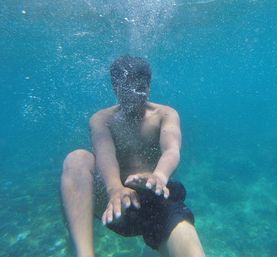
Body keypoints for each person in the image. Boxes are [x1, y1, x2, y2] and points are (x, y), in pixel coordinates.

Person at [61, 55, 206, 257]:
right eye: (126, 90)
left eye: (140, 88)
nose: (134, 96)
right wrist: (114, 189)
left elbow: (171, 150)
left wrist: (159, 176)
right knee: (77, 159)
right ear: (115, 88)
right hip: (114, 206)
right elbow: (105, 154)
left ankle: (154, 245)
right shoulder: (102, 119)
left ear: (148, 86)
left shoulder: (165, 114)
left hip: (154, 203)